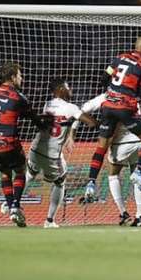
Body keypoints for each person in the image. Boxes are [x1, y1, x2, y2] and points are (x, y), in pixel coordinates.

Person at [83, 37, 141, 205]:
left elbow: (104, 77)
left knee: (101, 147)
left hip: (108, 106)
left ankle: (91, 183)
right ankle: (138, 172)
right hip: (125, 108)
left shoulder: (119, 57)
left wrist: (113, 91)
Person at [76, 89, 141, 227]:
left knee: (113, 175)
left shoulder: (103, 98)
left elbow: (80, 111)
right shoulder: (132, 93)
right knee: (137, 174)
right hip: (138, 141)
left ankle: (123, 213)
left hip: (119, 145)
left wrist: (83, 126)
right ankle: (140, 216)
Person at [22, 78, 96, 228]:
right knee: (60, 181)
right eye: (68, 87)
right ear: (61, 89)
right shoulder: (71, 108)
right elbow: (90, 122)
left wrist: (69, 135)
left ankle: (10, 202)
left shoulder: (47, 105)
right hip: (52, 154)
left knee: (30, 173)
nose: (71, 90)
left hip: (35, 149)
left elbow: (62, 122)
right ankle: (49, 221)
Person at [0, 61, 51, 227]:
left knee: (5, 173)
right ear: (13, 77)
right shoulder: (19, 97)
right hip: (8, 143)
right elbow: (34, 119)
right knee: (20, 171)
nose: (22, 78)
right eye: (20, 75)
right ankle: (15, 205)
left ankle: (11, 205)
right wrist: (47, 125)